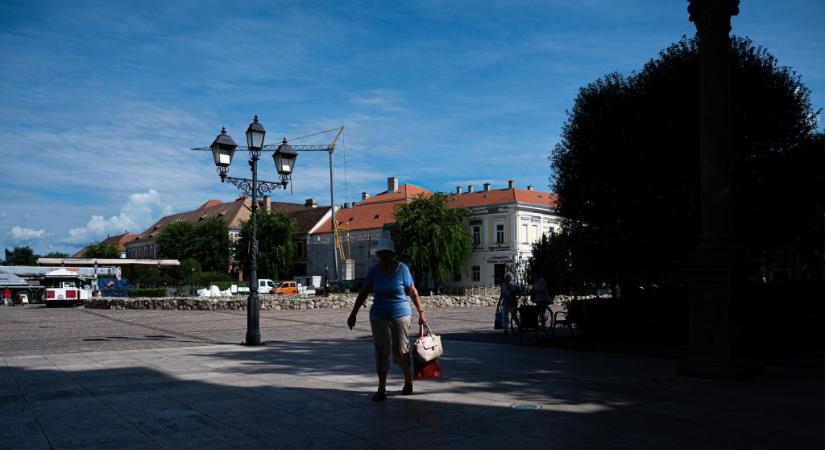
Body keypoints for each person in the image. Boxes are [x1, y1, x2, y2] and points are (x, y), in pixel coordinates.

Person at [347, 238, 427, 401]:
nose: (383, 257)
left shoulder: (402, 269)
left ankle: (408, 380)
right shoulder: (375, 270)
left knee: (400, 351)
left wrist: (421, 312)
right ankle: (382, 387)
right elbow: (364, 292)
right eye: (380, 254)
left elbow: (412, 291)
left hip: (401, 315)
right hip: (378, 316)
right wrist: (353, 313)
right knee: (381, 352)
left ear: (392, 255)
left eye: (386, 254)